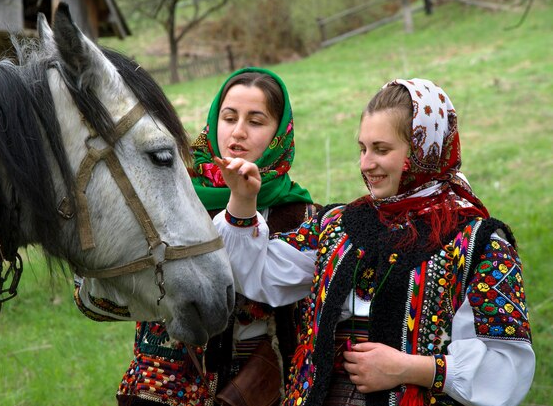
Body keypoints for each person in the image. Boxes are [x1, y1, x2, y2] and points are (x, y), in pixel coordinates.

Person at [213, 78, 535, 406]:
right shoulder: (338, 226)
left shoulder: (478, 244)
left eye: (381, 149)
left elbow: (506, 368)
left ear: (424, 149)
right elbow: (255, 273)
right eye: (363, 148)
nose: (366, 164)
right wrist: (242, 200)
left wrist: (409, 368)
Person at [74, 67, 319, 406]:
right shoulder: (170, 197)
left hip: (256, 391)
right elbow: (98, 297)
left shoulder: (301, 215)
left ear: (281, 133)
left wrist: (243, 205)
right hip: (163, 390)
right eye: (229, 117)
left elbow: (271, 288)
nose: (238, 132)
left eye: (256, 121)